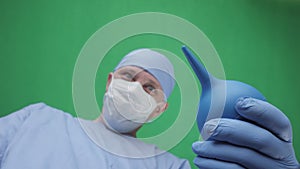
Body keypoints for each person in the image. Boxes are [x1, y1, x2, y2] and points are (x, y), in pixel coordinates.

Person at [0, 48, 299, 169]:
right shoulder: (35, 119)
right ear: (109, 81)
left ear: (159, 109)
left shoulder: (169, 166)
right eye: (129, 76)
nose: (134, 88)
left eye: (149, 87)